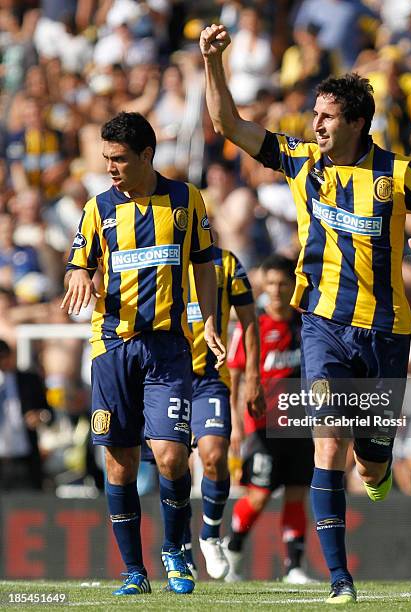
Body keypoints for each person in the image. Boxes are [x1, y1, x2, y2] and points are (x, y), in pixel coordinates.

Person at [200, 24, 411, 604]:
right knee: (327, 443)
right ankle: (339, 580)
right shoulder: (303, 162)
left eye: (326, 116)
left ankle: (376, 465)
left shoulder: (396, 176)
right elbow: (228, 126)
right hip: (322, 325)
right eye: (314, 114)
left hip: (385, 333)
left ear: (355, 121)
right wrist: (214, 64)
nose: (315, 124)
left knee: (370, 465)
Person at [61, 111, 225, 597]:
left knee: (172, 458)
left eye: (119, 159)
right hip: (112, 346)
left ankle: (176, 551)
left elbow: (205, 264)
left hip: (168, 348)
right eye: (106, 157)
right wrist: (77, 275)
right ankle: (134, 571)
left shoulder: (184, 200)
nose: (110, 167)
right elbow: (78, 262)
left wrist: (211, 318)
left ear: (147, 156)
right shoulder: (98, 209)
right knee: (119, 464)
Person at [141, 244, 265, 581]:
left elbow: (249, 320)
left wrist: (253, 376)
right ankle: (180, 545)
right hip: (165, 377)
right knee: (173, 462)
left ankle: (210, 533)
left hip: (210, 379)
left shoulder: (225, 263)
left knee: (213, 455)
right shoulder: (158, 259)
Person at [225, 254, 314, 584]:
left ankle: (294, 567)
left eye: (282, 284)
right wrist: (234, 425)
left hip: (300, 425)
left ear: (293, 286)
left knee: (296, 494)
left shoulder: (306, 324)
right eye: (271, 284)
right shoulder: (252, 326)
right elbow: (233, 379)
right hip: (262, 426)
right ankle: (233, 545)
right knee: (259, 495)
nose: (276, 291)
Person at [0, 339, 53, 490]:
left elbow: (49, 414)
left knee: (27, 508)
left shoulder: (29, 380)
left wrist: (39, 416)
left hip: (25, 459)